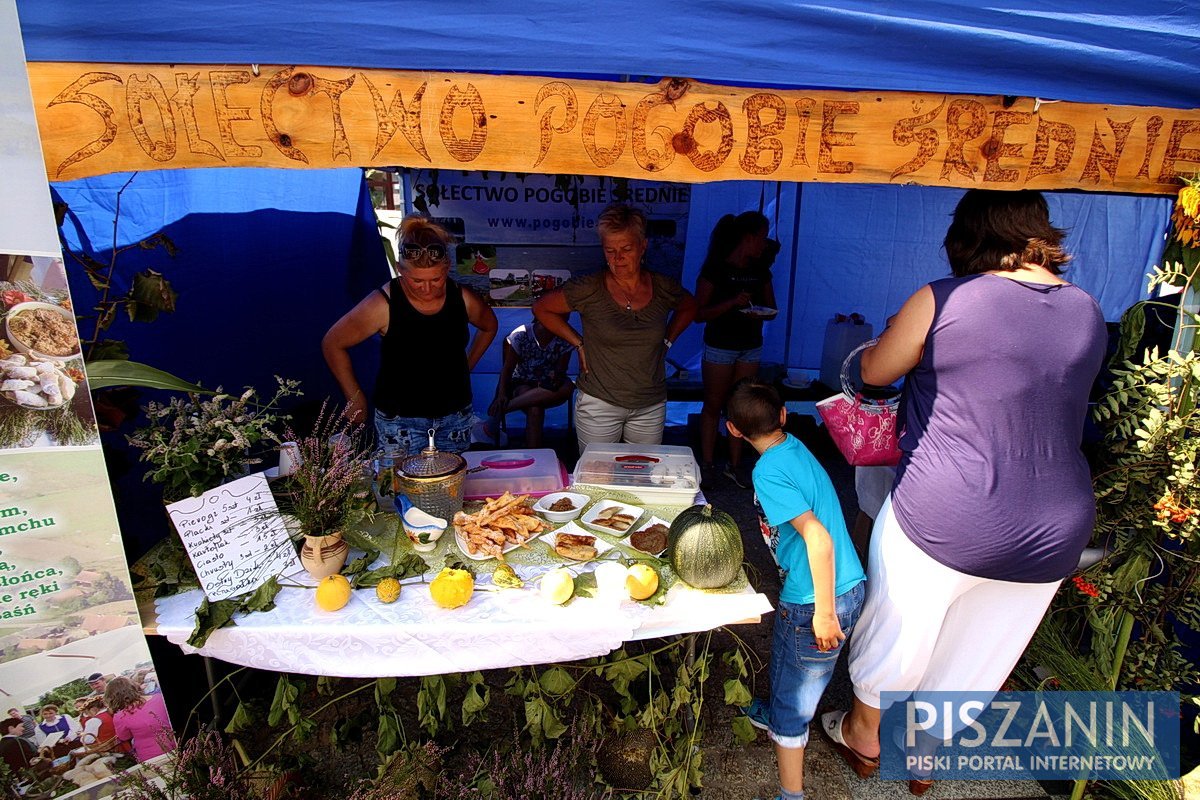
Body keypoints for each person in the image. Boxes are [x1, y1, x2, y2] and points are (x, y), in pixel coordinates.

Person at [821, 190, 1108, 795]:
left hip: (948, 509)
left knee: (901, 624)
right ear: (1038, 232)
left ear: (968, 234)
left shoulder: (943, 298)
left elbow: (874, 374)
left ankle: (867, 738)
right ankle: (922, 757)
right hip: (1055, 524)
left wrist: (891, 338)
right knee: (982, 646)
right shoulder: (1084, 308)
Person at [725, 379, 866, 800]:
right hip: (847, 584)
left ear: (732, 430)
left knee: (795, 706)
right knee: (791, 665)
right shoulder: (793, 445)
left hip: (814, 600)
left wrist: (823, 612)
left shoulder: (766, 470)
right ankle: (776, 710)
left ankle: (791, 792)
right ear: (784, 416)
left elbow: (818, 538)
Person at [323, 216, 498, 455]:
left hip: (454, 419)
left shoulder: (463, 298)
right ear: (399, 269)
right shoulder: (382, 303)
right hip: (400, 423)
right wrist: (355, 398)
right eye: (416, 280)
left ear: (447, 268)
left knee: (452, 487)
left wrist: (468, 365)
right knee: (402, 488)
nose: (427, 288)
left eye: (436, 279)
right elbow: (333, 343)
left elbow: (489, 326)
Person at [533, 204, 697, 452]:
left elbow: (690, 307)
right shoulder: (589, 287)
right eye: (610, 250)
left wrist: (667, 341)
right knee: (597, 476)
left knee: (643, 476)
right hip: (599, 401)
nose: (617, 258)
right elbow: (542, 308)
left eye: (626, 249)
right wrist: (578, 343)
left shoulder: (663, 287)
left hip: (649, 402)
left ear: (643, 246)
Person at [694, 211, 778, 487]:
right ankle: (707, 464)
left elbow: (772, 310)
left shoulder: (760, 270)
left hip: (750, 345)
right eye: (762, 238)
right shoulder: (715, 269)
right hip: (720, 345)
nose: (764, 245)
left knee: (741, 406)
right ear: (748, 238)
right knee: (714, 405)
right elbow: (699, 313)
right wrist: (732, 303)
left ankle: (735, 464)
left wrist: (760, 314)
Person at [487, 316, 574, 448]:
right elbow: (508, 369)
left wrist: (556, 376)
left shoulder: (565, 336)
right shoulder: (521, 334)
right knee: (535, 408)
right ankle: (534, 453)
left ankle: (505, 408)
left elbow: (561, 370)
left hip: (549, 387)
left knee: (567, 386)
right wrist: (501, 394)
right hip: (523, 382)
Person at [105, 676, 175, 761]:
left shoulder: (120, 716)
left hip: (151, 757)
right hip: (177, 745)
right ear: (134, 687)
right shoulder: (160, 698)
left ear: (113, 697)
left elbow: (124, 737)